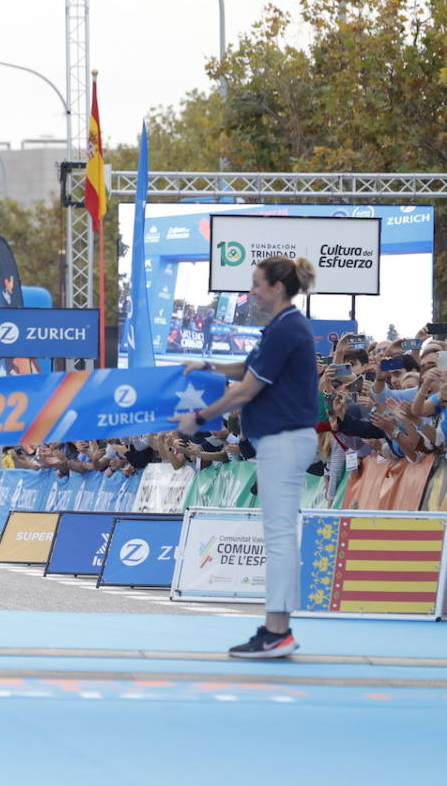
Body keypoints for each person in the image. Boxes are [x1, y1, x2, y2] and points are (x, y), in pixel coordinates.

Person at [172, 256, 317, 659]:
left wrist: (198, 416)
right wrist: (206, 364)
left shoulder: (287, 329)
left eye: (256, 283)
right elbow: (245, 369)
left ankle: (278, 630)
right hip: (280, 439)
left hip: (284, 440)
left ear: (277, 287)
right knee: (280, 537)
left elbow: (246, 389)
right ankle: (276, 628)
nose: (252, 291)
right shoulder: (281, 328)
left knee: (280, 538)